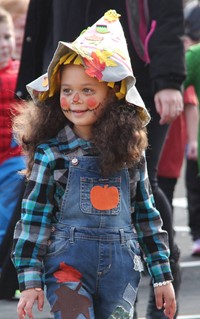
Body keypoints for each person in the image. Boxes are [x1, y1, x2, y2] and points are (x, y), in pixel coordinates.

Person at [15, 2, 185, 317]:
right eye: (66, 90)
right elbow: (33, 221)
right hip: (68, 273)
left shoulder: (130, 154)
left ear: (112, 97)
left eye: (86, 89)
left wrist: (162, 276)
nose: (74, 99)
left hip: (122, 274)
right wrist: (30, 281)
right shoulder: (52, 153)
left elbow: (147, 220)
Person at [158, 0, 200, 257]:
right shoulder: (192, 57)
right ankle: (165, 250)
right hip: (161, 145)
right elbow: (187, 95)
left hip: (172, 150)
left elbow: (189, 104)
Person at [0, 6, 26, 299]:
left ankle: (8, 272)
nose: (5, 43)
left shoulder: (20, 73)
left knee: (6, 217)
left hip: (11, 160)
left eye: (7, 36)